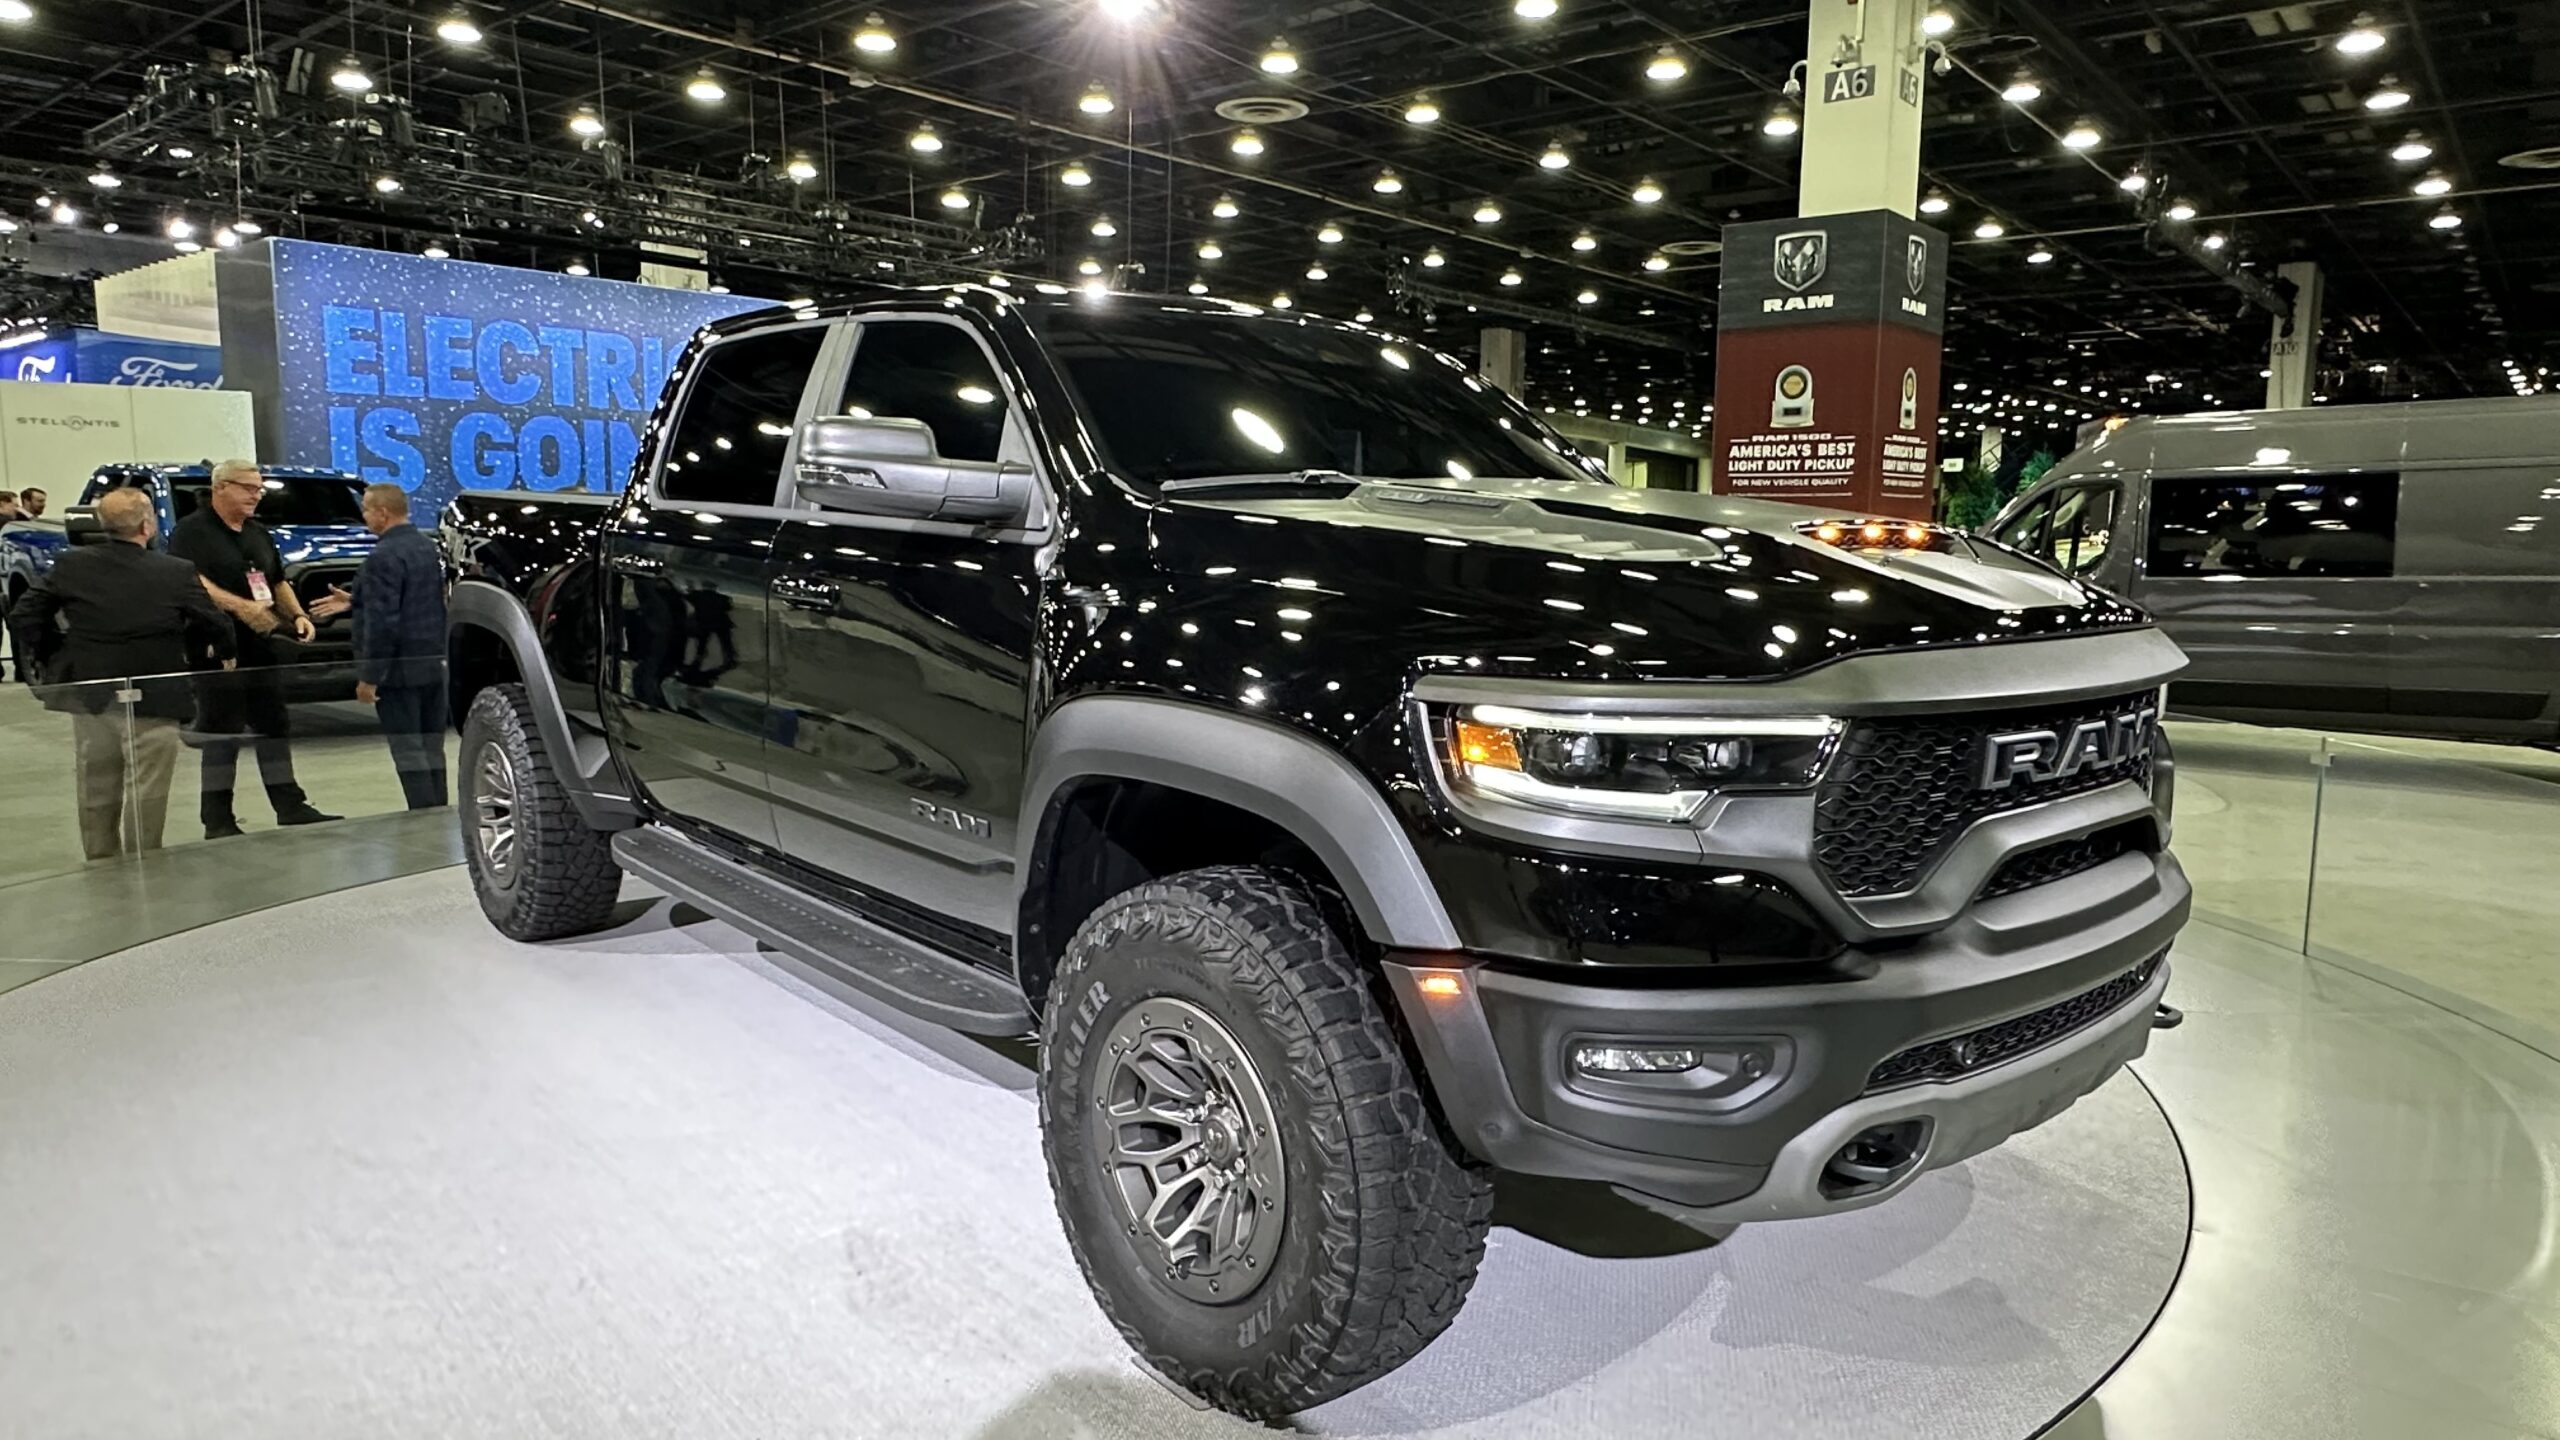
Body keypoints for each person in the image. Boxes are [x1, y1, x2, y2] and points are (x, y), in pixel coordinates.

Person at [8, 488, 236, 860]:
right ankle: (144, 862)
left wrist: (61, 654)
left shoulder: (71, 565)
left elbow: (24, 616)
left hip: (93, 694)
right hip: (155, 695)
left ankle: (101, 863)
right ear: (148, 525)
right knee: (148, 789)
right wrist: (222, 655)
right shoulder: (174, 571)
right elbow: (214, 622)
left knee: (96, 785)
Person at [167, 458, 340, 838]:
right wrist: (243, 608)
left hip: (262, 646)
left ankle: (289, 805)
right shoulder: (190, 532)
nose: (256, 495)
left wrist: (295, 616)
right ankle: (217, 819)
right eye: (248, 488)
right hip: (215, 646)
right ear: (220, 488)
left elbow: (275, 579)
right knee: (221, 731)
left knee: (274, 724)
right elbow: (193, 582)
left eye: (259, 488)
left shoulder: (257, 532)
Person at [311, 484, 449, 809]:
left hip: (398, 672)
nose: (364, 517)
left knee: (408, 748)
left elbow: (382, 621)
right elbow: (420, 598)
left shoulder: (382, 557)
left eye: (367, 510)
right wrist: (357, 598)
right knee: (432, 745)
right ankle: (437, 810)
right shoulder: (429, 549)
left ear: (382, 513)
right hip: (433, 664)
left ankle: (422, 813)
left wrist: (370, 676)